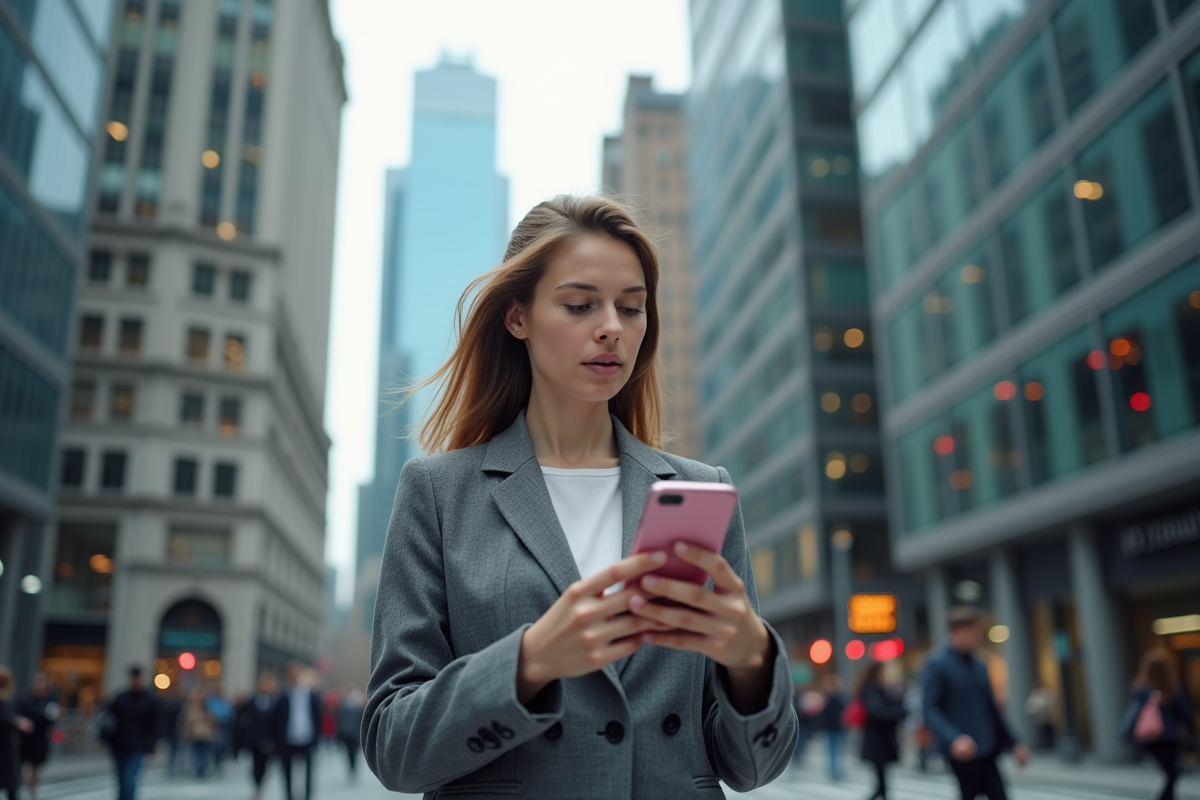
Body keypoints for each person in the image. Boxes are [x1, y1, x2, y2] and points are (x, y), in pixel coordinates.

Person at [360, 196, 797, 797]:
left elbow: (750, 769)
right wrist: (530, 661)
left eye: (632, 307)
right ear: (518, 318)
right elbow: (393, 746)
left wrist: (752, 660)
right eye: (579, 304)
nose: (613, 327)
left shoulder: (700, 492)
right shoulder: (438, 494)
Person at [924, 607, 1030, 800]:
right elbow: (930, 708)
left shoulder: (980, 663)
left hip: (988, 746)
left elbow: (992, 708)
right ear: (958, 631)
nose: (977, 638)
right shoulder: (937, 663)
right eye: (974, 633)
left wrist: (1015, 743)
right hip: (962, 749)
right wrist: (954, 738)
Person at [1121, 649, 1196, 800]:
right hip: (1169, 738)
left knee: (1171, 772)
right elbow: (1183, 714)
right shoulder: (1171, 688)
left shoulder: (1140, 690)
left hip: (1150, 739)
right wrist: (1192, 731)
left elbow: (1133, 714)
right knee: (1173, 773)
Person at [105, 666, 159, 800]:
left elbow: (155, 725)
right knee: (121, 778)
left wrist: (152, 747)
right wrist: (108, 740)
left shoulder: (150, 700)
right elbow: (110, 720)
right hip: (119, 744)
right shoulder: (121, 698)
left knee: (129, 777)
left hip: (138, 746)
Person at [273, 662, 321, 800]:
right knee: (287, 771)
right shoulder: (283, 696)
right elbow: (276, 720)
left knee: (309, 771)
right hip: (287, 739)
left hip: (307, 737)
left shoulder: (312, 695)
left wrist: (317, 738)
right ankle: (289, 796)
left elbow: (317, 717)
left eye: (298, 674)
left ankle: (307, 796)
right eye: (292, 675)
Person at [858, 663, 906, 800]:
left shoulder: (880, 689)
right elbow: (877, 711)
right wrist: (899, 711)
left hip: (882, 741)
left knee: (881, 781)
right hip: (877, 742)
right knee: (881, 781)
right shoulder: (873, 690)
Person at [235, 673, 278, 800]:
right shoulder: (251, 701)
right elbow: (241, 719)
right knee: (255, 765)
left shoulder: (275, 702)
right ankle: (257, 788)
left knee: (265, 766)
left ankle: (260, 787)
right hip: (254, 740)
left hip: (269, 741)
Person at [17, 672, 56, 799]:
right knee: (25, 765)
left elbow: (51, 719)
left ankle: (33, 791)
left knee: (37, 766)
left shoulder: (49, 701)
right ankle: (20, 788)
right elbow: (19, 713)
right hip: (27, 737)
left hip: (40, 737)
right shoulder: (27, 698)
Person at [0, 667, 34, 800]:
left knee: (11, 784)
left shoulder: (8, 700)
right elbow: (6, 716)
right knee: (11, 784)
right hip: (5, 748)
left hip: (6, 747)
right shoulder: (6, 701)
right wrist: (16, 721)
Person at [181, 687, 217, 777]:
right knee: (199, 752)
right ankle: (200, 768)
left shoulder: (203, 708)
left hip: (201, 734)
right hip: (199, 734)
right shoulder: (196, 708)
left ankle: (200, 768)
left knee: (199, 752)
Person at [818, 673, 847, 781]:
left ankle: (834, 770)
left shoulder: (836, 697)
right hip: (830, 727)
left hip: (836, 727)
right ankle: (833, 770)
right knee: (832, 749)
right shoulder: (830, 697)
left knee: (835, 749)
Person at [336, 689, 365, 779]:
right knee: (349, 752)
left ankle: (354, 767)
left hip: (355, 734)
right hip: (347, 733)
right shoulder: (343, 708)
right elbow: (340, 721)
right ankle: (351, 767)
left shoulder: (359, 708)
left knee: (355, 752)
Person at [206, 684, 233, 774]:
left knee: (223, 744)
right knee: (215, 745)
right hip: (213, 725)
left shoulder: (225, 701)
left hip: (224, 724)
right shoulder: (210, 700)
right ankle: (215, 762)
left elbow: (228, 712)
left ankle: (220, 761)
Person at [158, 686, 184, 774]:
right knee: (172, 750)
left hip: (178, 731)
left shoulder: (180, 705)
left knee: (177, 750)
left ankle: (176, 766)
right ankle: (172, 766)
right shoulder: (168, 705)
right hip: (171, 731)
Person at [1024, 682, 1056, 750]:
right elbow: (1029, 707)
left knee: (1049, 732)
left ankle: (1050, 745)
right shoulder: (1033, 696)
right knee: (1042, 733)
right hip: (1039, 719)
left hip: (1047, 719)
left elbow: (1051, 701)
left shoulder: (1046, 694)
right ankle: (1043, 745)